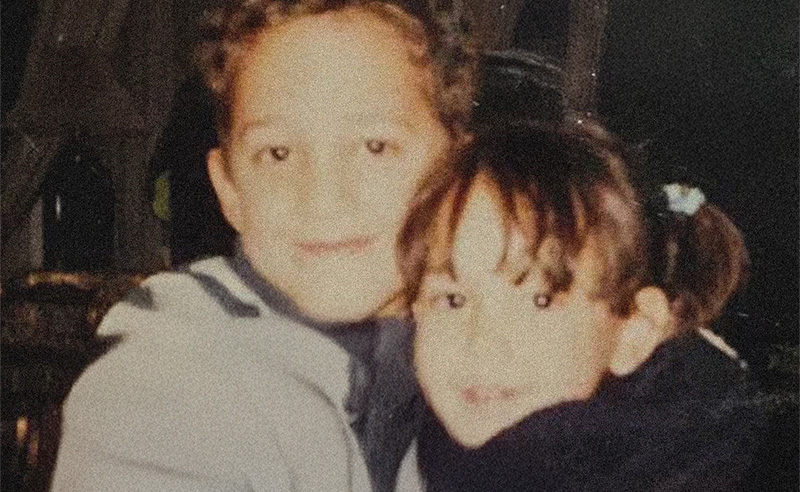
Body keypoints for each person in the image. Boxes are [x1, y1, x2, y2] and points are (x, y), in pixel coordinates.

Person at [51, 1, 476, 491]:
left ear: (458, 172)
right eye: (278, 153)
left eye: (374, 147)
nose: (322, 198)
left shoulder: (493, 362)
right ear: (229, 190)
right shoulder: (161, 395)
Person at [397, 120, 766, 491]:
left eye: (540, 301)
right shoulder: (440, 458)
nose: (480, 343)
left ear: (633, 335)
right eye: (453, 300)